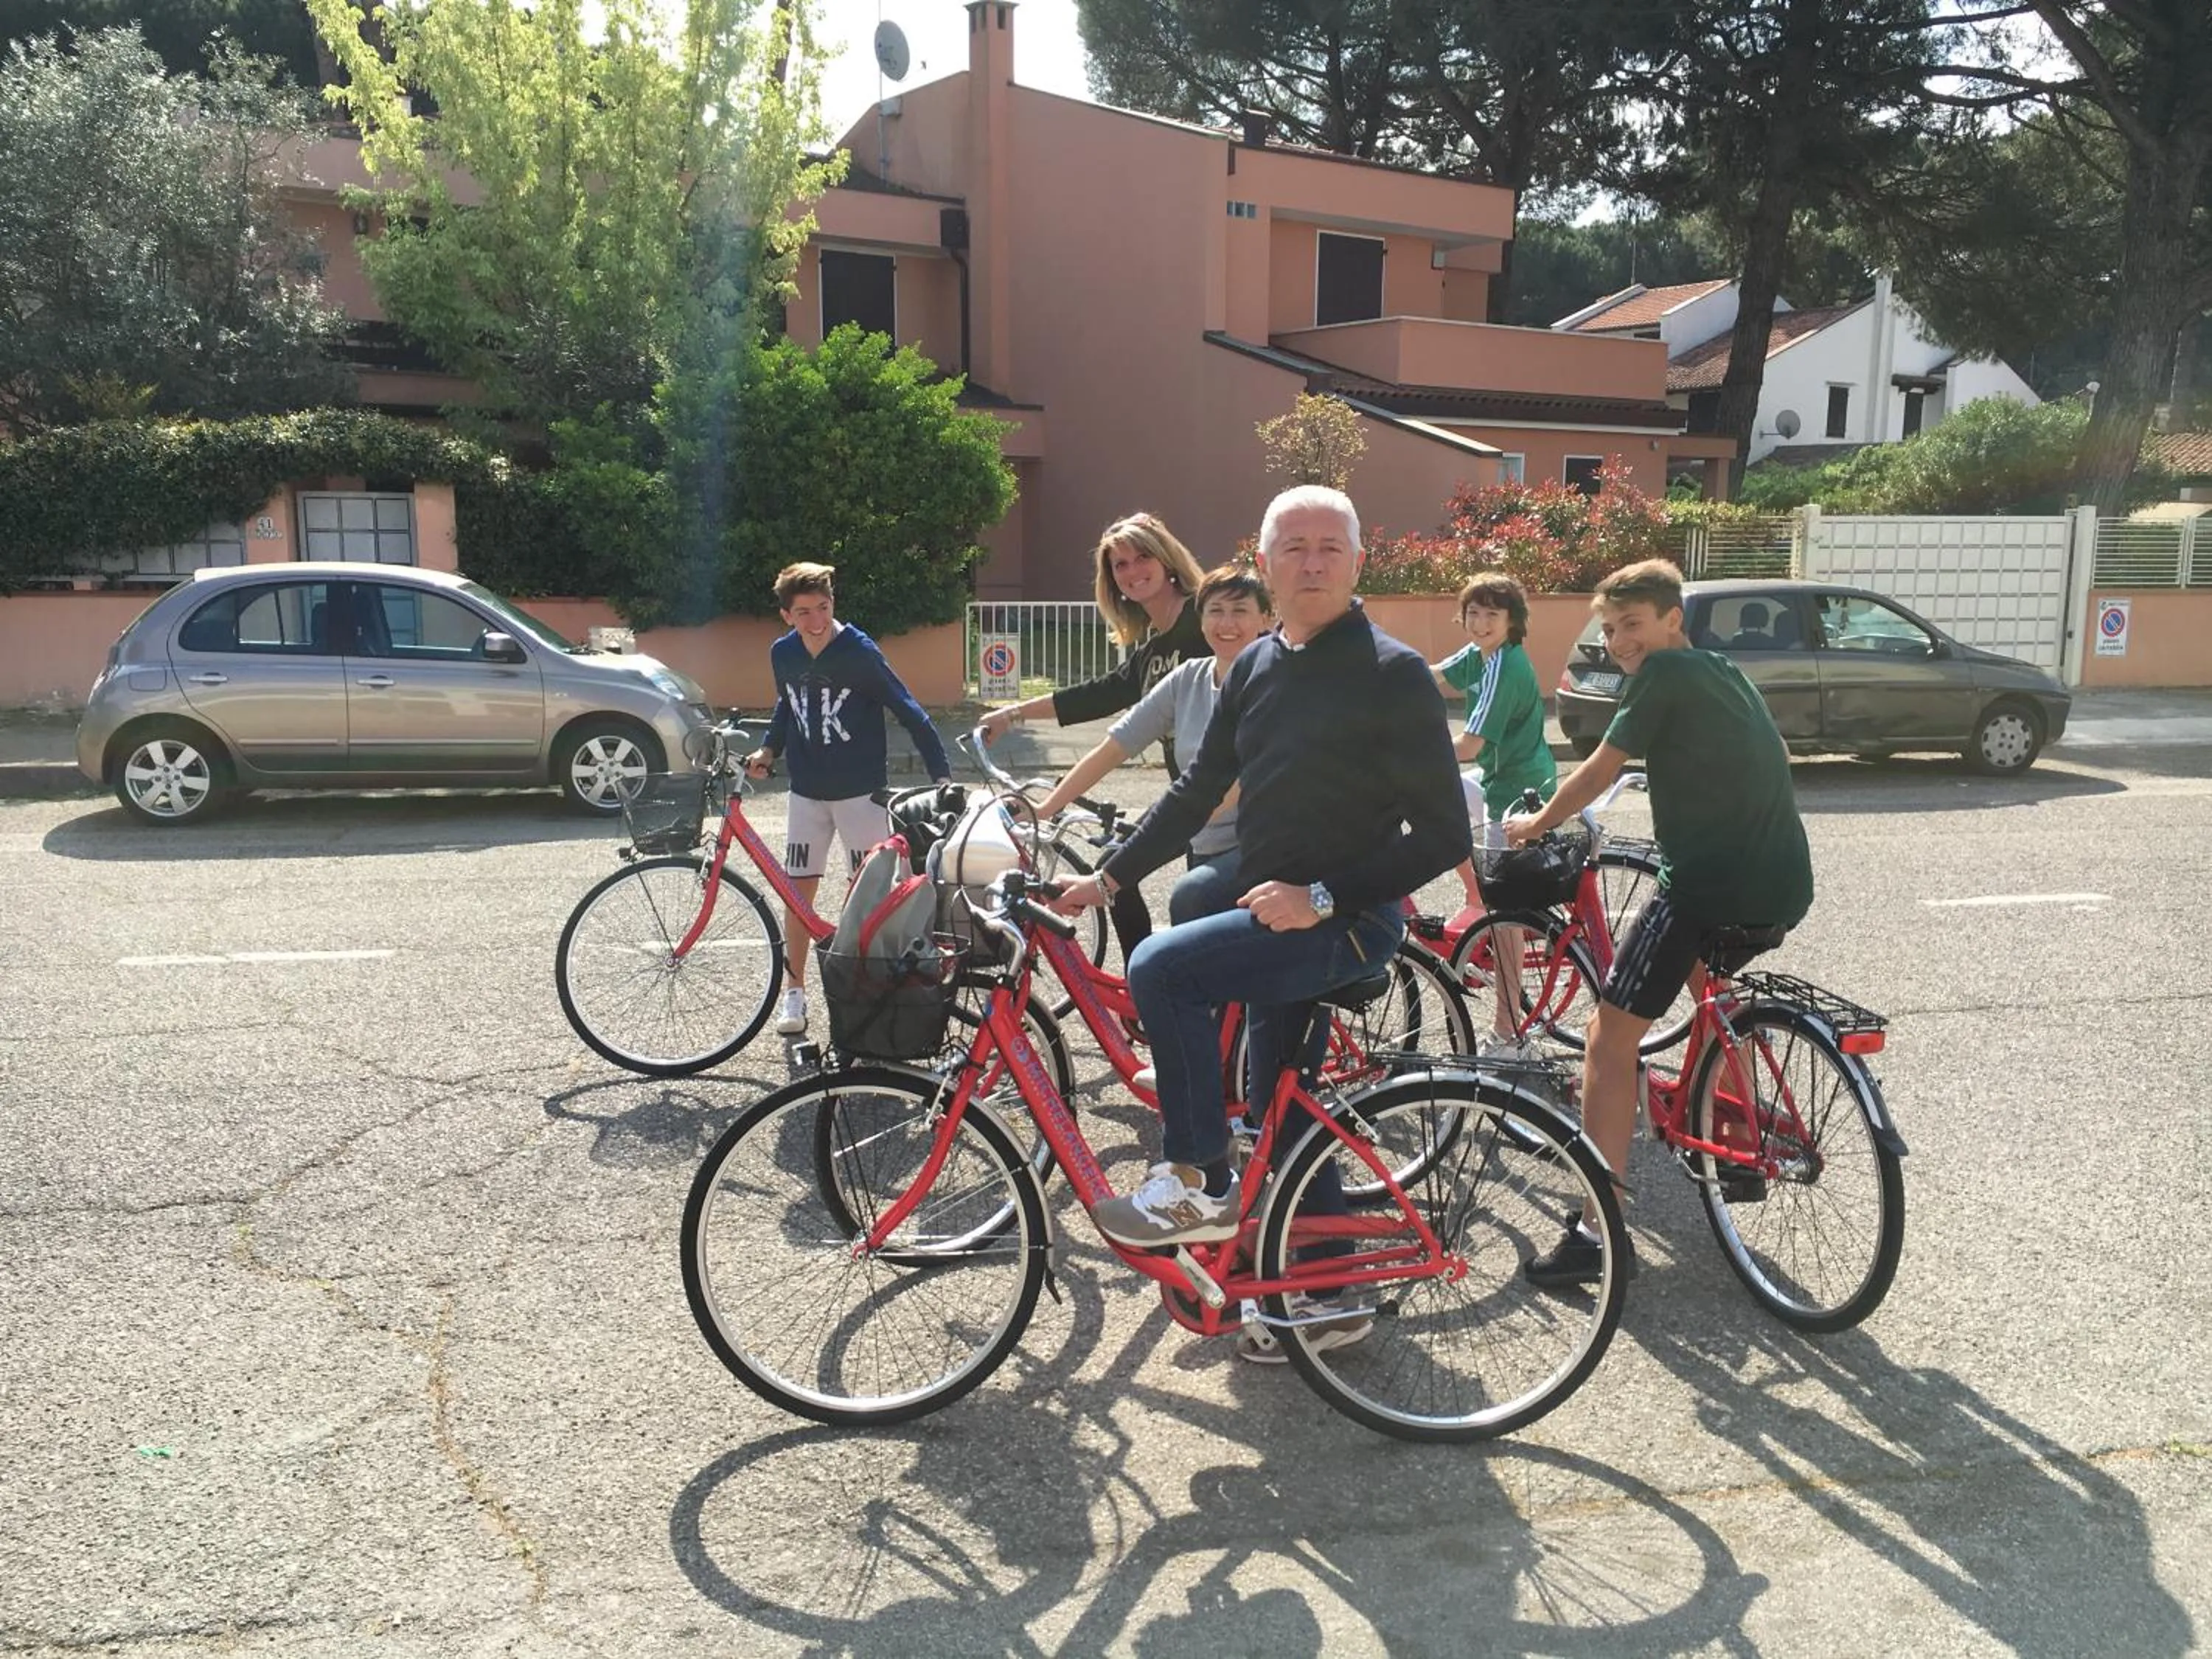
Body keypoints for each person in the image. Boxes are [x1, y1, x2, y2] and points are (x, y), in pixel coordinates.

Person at [1054, 485, 1470, 1362]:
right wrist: (1110, 875)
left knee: (1163, 969)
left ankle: (1197, 1179)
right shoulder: (1257, 666)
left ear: (1358, 561)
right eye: (1294, 547)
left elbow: (1443, 836)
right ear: (1267, 560)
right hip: (1277, 908)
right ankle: (1328, 1296)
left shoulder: (1391, 674)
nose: (1312, 562)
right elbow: (1197, 790)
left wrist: (1320, 897)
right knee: (1284, 1109)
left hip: (1346, 922)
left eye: (1330, 547)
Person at [1504, 558, 1813, 1286]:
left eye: (1632, 624)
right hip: (1783, 884)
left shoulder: (1664, 677)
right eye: (1609, 629)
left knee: (1608, 1040)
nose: (1619, 641)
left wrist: (1536, 824)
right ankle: (1731, 1130)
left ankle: (1595, 1228)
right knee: (1710, 987)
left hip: (1708, 885)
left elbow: (1601, 768)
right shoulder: (1721, 671)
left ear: (1673, 619)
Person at [979, 512, 1207, 957]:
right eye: (1119, 565)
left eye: (1142, 557)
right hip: (1190, 794)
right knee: (1117, 872)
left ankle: (1176, 1000)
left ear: (1167, 561)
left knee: (1198, 908)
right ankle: (1150, 991)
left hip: (1224, 795)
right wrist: (1013, 713)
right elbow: (1100, 696)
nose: (1132, 570)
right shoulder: (1153, 649)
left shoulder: (1205, 615)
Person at [744, 562, 953, 1036]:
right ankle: (793, 994)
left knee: (871, 896)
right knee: (798, 896)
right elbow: (788, 705)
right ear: (786, 616)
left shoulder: (859, 652)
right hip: (806, 794)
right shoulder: (783, 654)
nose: (816, 621)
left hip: (862, 795)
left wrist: (943, 777)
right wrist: (768, 749)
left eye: (824, 608)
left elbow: (910, 711)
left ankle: (871, 990)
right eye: (804, 613)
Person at [1033, 563, 1270, 932]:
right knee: (1117, 868)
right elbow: (1115, 747)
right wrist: (1046, 807)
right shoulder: (1188, 679)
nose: (1227, 624)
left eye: (1240, 611)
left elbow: (1225, 794)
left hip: (1259, 851)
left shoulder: (1271, 684)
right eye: (1216, 611)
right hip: (1203, 843)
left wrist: (1142, 853)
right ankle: (1138, 984)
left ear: (1265, 619)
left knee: (1190, 900)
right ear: (1201, 618)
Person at [1430, 571, 1558, 914]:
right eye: (1473, 612)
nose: (1480, 623)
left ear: (1511, 620)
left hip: (1515, 786)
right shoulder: (1480, 652)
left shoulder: (1503, 666)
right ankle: (1476, 897)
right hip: (1498, 775)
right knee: (1437, 797)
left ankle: (1507, 963)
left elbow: (1469, 747)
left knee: (1507, 905)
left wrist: (1410, 754)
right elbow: (1433, 674)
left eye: (1492, 614)